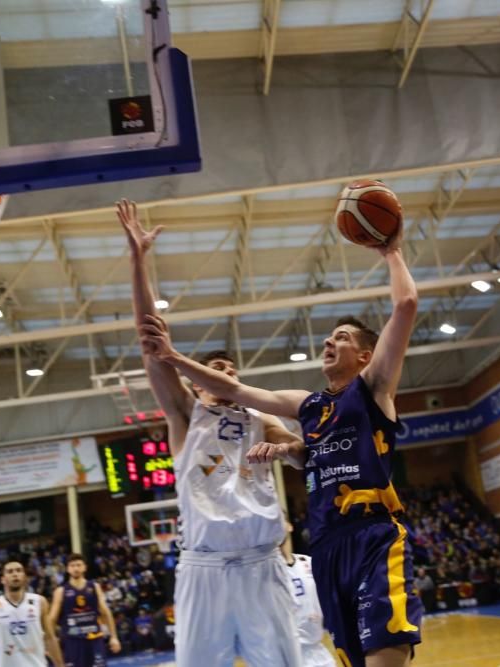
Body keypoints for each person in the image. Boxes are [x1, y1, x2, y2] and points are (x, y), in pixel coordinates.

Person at [138, 220, 421, 667]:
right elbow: (236, 392)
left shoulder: (373, 389)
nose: (330, 341)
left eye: (342, 338)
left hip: (371, 536)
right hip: (326, 544)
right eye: (329, 337)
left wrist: (392, 252)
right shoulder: (304, 405)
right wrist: (291, 449)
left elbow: (405, 304)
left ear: (365, 356)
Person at [116, 199, 304, 666]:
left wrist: (284, 450)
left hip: (263, 564)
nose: (226, 373)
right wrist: (139, 261)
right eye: (216, 368)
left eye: (232, 370)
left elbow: (305, 458)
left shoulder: (261, 416)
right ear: (199, 381)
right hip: (205, 568)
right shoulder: (184, 412)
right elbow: (149, 338)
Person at [0, 560, 64, 667]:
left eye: (19, 571)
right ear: (3, 579)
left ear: (24, 577)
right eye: (10, 572)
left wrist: (60, 665)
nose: (15, 574)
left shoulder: (39, 602)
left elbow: (50, 638)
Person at [282, 514, 337, 666]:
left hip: (318, 653)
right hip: (285, 656)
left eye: (277, 520)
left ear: (289, 526)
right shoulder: (262, 572)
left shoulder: (308, 562)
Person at [48, 554, 120, 667]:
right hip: (72, 641)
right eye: (72, 565)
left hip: (94, 639)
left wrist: (114, 637)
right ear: (67, 569)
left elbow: (105, 613)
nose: (76, 568)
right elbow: (51, 619)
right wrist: (50, 642)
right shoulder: (60, 591)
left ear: (85, 567)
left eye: (78, 565)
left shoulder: (94, 587)